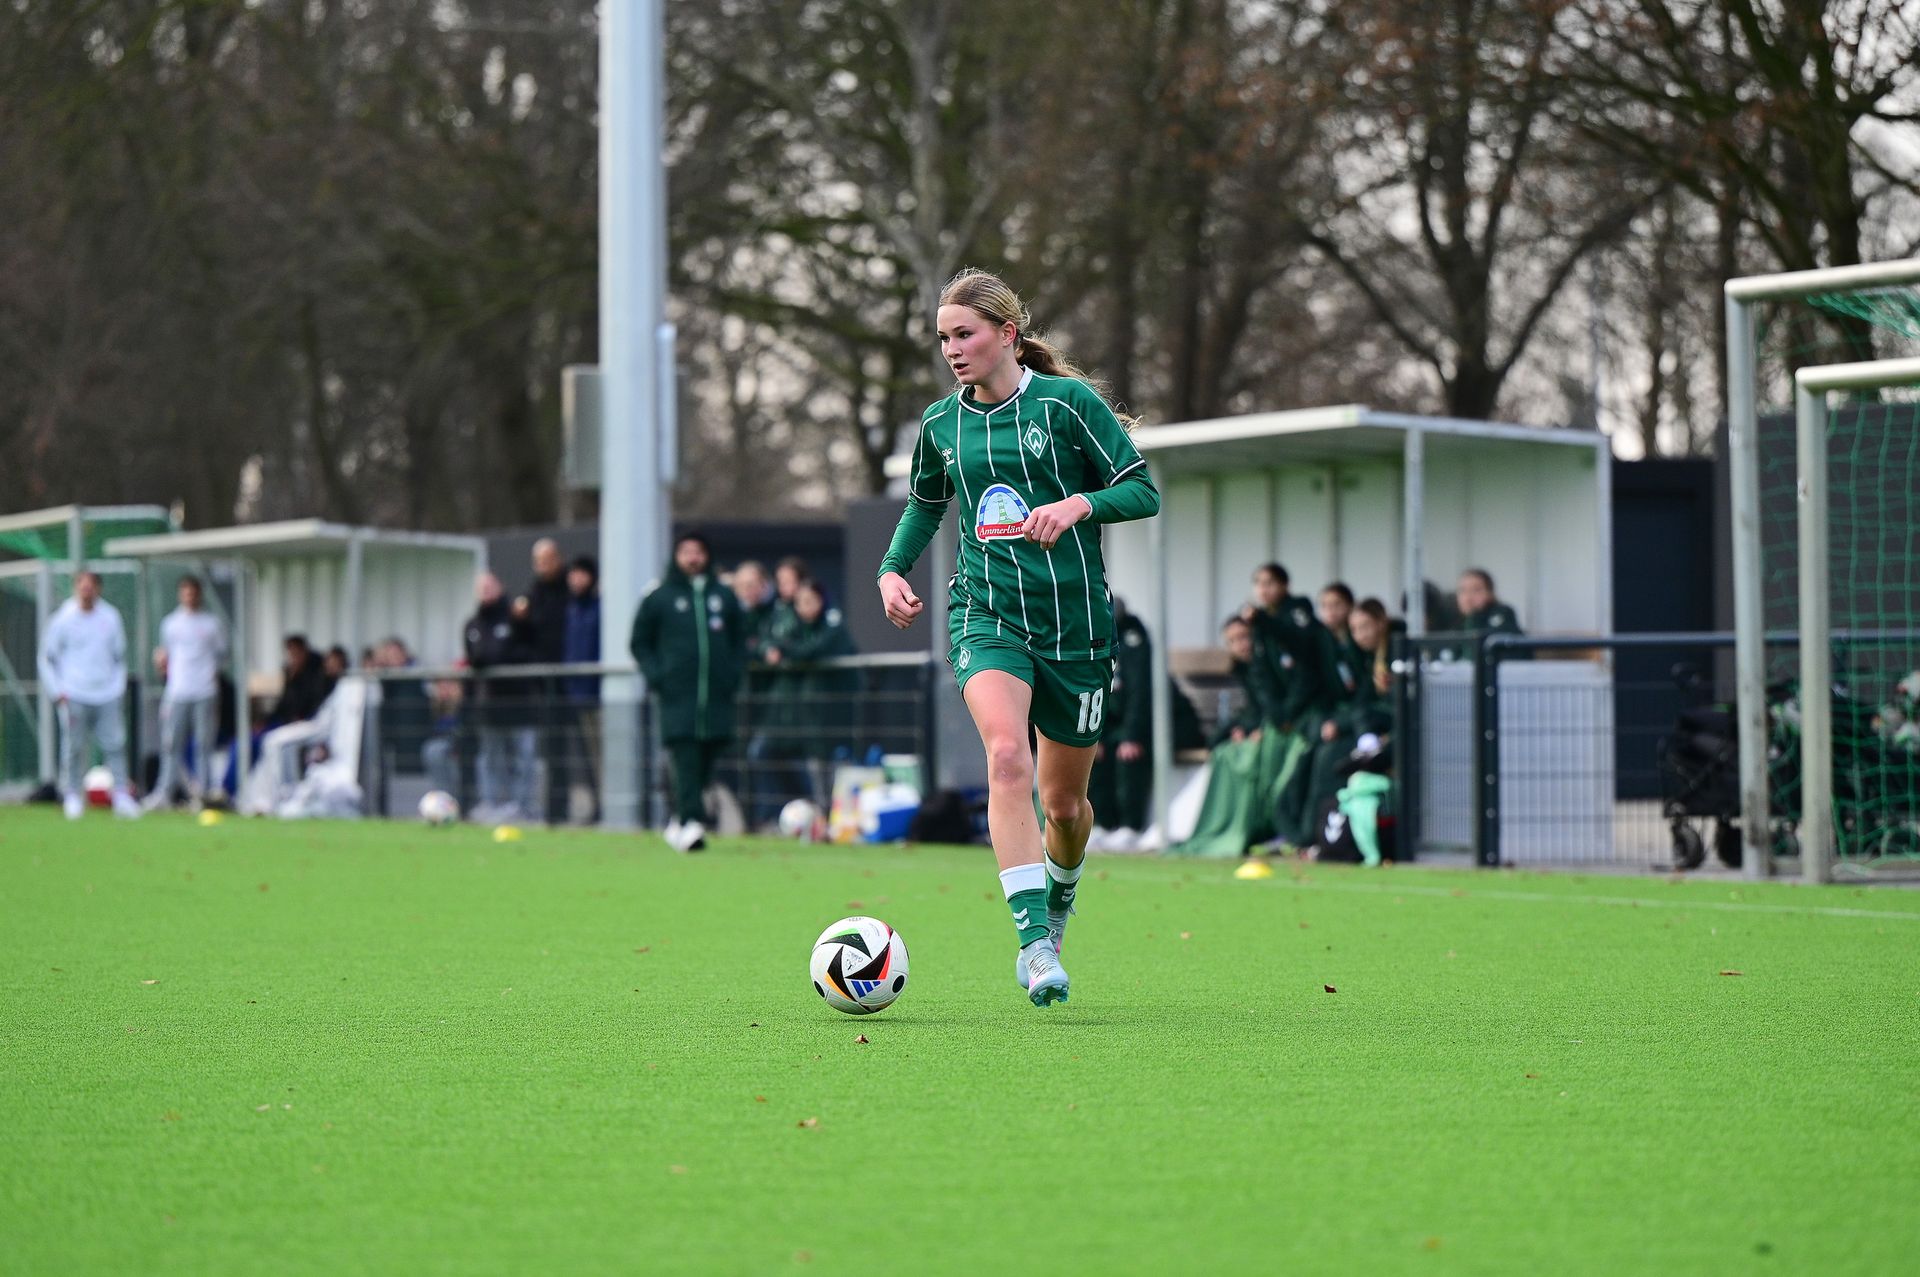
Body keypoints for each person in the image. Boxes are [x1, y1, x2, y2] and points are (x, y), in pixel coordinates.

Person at [878, 267, 1160, 1008]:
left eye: (964, 333)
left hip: (1075, 630)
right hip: (986, 617)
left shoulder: (1068, 405)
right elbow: (923, 506)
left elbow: (1142, 488)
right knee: (1007, 756)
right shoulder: (942, 425)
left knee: (1064, 808)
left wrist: (1078, 504)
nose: (952, 349)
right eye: (943, 337)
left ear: (1007, 333)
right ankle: (1035, 943)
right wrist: (890, 570)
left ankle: (1060, 894)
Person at [631, 531, 748, 852]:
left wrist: (732, 674)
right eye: (686, 552)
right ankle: (693, 823)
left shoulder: (723, 596)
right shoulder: (659, 597)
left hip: (716, 696)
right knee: (685, 758)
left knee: (707, 759)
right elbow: (639, 642)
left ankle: (679, 820)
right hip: (677, 697)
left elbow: (740, 638)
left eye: (698, 551)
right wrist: (658, 676)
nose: (692, 558)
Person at [39, 570, 140, 820]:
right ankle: (72, 795)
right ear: (76, 588)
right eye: (82, 586)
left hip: (106, 694)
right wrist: (57, 690)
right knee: (73, 747)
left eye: (91, 586)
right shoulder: (63, 618)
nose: (86, 590)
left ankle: (121, 796)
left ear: (98, 589)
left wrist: (117, 689)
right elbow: (46, 658)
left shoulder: (110, 617)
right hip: (74, 693)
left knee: (115, 744)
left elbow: (119, 658)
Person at [764, 578, 858, 805]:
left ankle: (839, 816)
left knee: (839, 766)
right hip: (811, 713)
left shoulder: (832, 624)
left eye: (809, 601)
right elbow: (773, 641)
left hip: (838, 708)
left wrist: (786, 649)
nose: (804, 607)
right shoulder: (795, 626)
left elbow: (812, 650)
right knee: (816, 765)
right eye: (800, 602)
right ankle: (822, 816)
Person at [146, 575, 227, 810]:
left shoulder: (211, 624)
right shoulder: (170, 624)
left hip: (204, 691)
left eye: (193, 592)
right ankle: (164, 793)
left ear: (199, 594)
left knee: (203, 745)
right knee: (171, 744)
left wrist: (210, 674)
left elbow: (222, 655)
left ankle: (202, 795)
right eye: (185, 592)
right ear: (180, 595)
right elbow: (166, 656)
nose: (189, 596)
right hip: (178, 692)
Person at [464, 572, 538, 822]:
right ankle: (490, 806)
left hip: (519, 702)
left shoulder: (516, 618)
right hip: (489, 706)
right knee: (490, 758)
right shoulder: (472, 625)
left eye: (490, 586)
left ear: (500, 586)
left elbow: (522, 650)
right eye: (481, 587)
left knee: (522, 757)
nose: (485, 591)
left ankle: (521, 808)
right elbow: (475, 658)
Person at [1087, 597, 1152, 850]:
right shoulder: (1094, 639)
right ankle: (1103, 823)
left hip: (1137, 726)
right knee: (1094, 755)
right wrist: (1096, 737)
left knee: (1128, 755)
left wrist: (1132, 735)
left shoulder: (1135, 641)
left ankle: (1130, 826)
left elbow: (1140, 694)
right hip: (1110, 725)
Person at [524, 538, 572, 822]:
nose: (544, 566)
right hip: (545, 687)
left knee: (580, 751)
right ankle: (554, 811)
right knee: (552, 751)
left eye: (548, 559)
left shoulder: (571, 589)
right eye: (539, 561)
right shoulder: (534, 593)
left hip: (574, 684)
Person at [561, 555, 602, 823]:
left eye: (582, 574)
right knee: (583, 760)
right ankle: (595, 806)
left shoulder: (599, 609)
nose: (576, 579)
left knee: (600, 757)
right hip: (572, 695)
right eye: (573, 574)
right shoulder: (571, 610)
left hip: (594, 696)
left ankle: (608, 805)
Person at [269, 635, 329, 727]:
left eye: (296, 653)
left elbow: (313, 701)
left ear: (304, 652)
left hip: (307, 721)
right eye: (291, 653)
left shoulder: (316, 672)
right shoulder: (291, 671)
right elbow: (284, 701)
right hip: (288, 719)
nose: (293, 657)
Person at [1458, 568, 1523, 637]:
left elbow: (1497, 635)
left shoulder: (1503, 612)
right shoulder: (1456, 622)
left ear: (1490, 593)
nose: (1468, 598)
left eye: (1476, 590)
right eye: (1463, 590)